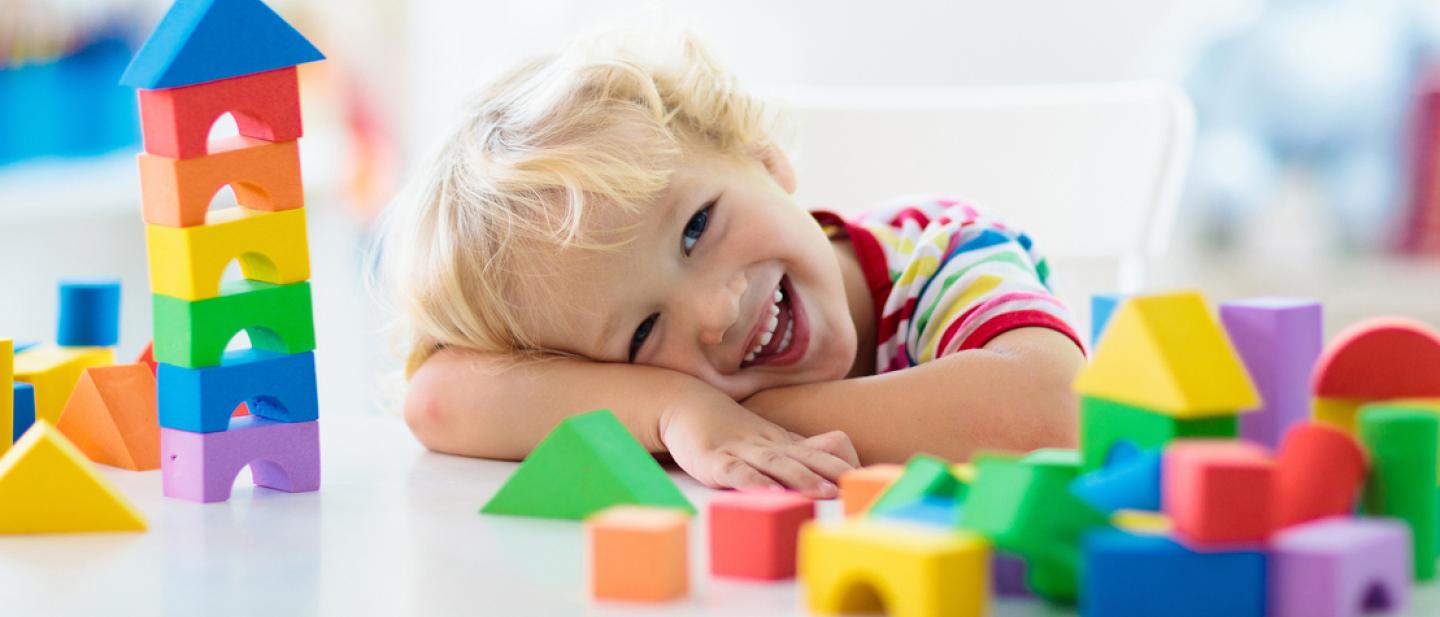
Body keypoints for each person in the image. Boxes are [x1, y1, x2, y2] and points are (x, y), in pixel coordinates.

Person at [372, 30, 1085, 499]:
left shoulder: (942, 255)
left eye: (695, 227)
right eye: (644, 332)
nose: (715, 313)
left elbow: (1054, 412)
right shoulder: (676, 395)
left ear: (757, 153)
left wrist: (740, 412)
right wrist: (675, 406)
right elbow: (435, 398)